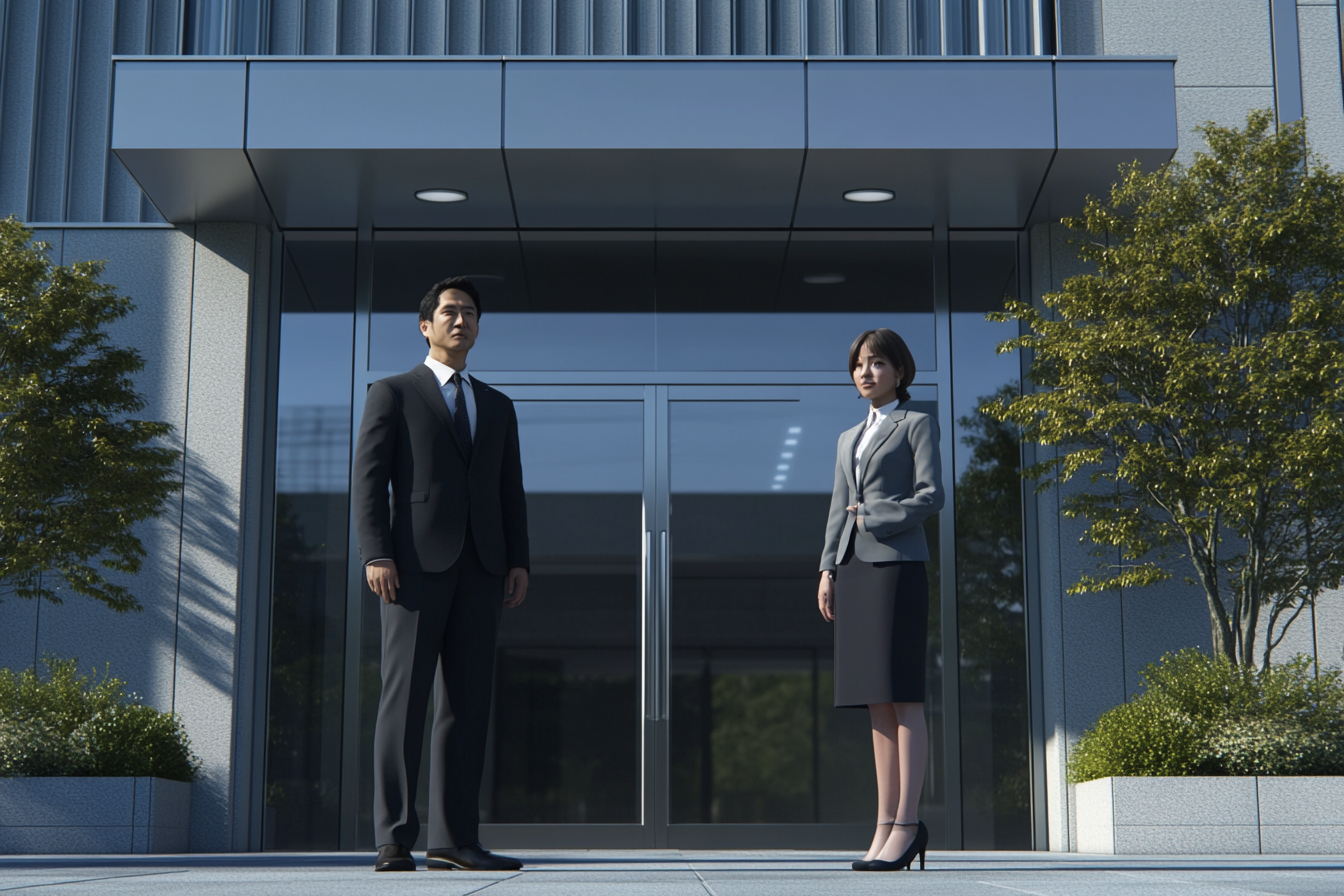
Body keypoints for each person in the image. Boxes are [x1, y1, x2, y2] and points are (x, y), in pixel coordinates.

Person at [353, 276, 530, 872]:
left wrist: (518, 560)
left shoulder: (499, 406)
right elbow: (369, 481)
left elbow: (511, 494)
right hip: (410, 569)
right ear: (425, 325)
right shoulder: (393, 392)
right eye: (450, 312)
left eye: (471, 313)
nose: (462, 320)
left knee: (468, 704)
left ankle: (454, 841)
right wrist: (376, 552)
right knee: (404, 701)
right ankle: (393, 838)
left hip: (483, 568)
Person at [817, 327, 944, 872]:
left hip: (897, 567)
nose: (866, 373)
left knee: (904, 696)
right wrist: (826, 567)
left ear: (899, 370)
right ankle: (883, 823)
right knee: (875, 701)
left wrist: (876, 516)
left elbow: (931, 495)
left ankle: (909, 824)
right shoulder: (848, 437)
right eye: (858, 366)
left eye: (876, 363)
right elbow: (836, 507)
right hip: (854, 571)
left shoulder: (916, 423)